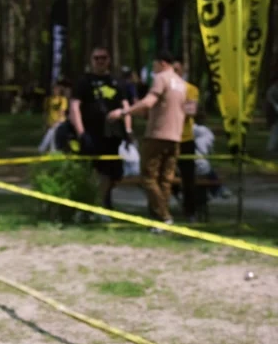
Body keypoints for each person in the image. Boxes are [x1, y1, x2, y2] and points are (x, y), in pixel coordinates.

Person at [109, 49, 193, 225]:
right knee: (165, 179)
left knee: (147, 177)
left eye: (154, 64)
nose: (152, 68)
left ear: (162, 63)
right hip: (175, 137)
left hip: (157, 135)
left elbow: (148, 102)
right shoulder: (181, 84)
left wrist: (124, 112)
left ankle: (164, 216)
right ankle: (160, 218)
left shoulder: (161, 79)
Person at [69, 47, 132, 209]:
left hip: (112, 135)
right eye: (96, 58)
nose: (100, 61)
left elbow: (126, 107)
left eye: (103, 58)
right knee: (90, 171)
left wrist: (129, 130)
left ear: (108, 60)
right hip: (90, 133)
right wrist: (81, 132)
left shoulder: (117, 82)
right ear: (91, 61)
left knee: (112, 173)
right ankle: (89, 204)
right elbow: (75, 107)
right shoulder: (84, 81)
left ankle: (104, 203)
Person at [173, 61, 199, 221]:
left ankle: (190, 211)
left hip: (185, 139)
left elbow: (191, 111)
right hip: (167, 138)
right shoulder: (162, 87)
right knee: (162, 176)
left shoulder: (191, 89)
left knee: (188, 178)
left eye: (177, 70)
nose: (174, 73)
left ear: (183, 70)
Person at [193, 110, 232, 202]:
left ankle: (215, 190)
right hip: (201, 166)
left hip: (181, 167)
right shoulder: (207, 133)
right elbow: (207, 150)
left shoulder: (181, 129)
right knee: (205, 167)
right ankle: (218, 189)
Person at [38, 81, 68, 153]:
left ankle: (42, 148)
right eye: (54, 89)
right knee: (52, 136)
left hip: (60, 121)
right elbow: (45, 112)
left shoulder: (62, 99)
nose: (55, 91)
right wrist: (45, 122)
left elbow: (62, 112)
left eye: (57, 89)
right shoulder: (48, 100)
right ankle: (52, 150)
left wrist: (56, 122)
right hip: (50, 121)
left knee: (50, 134)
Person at [265, 77, 278, 155]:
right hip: (272, 113)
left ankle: (272, 147)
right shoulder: (272, 89)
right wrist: (275, 105)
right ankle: (271, 148)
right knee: (275, 129)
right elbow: (269, 99)